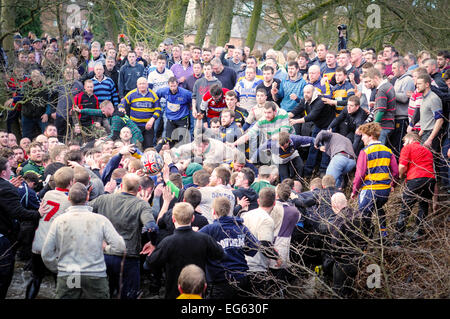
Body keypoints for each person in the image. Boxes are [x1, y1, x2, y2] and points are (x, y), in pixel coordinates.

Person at [41, 182, 126, 299]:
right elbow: (120, 247)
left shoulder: (59, 221)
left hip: (70, 273)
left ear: (69, 198)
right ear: (87, 197)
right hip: (95, 274)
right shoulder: (100, 220)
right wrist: (106, 248)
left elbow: (46, 253)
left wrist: (59, 268)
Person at [88, 173, 157, 299]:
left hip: (104, 254)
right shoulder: (141, 205)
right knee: (128, 294)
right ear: (139, 189)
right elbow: (152, 227)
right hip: (128, 257)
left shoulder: (104, 199)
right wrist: (153, 242)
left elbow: (83, 209)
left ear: (121, 186)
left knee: (103, 293)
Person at [144, 202, 224, 299]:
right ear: (193, 218)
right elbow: (221, 254)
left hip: (174, 292)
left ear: (173, 219)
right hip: (198, 290)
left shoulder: (168, 242)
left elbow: (151, 262)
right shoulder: (204, 239)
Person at [27, 166, 73, 299]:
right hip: (54, 247)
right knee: (63, 281)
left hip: (38, 244)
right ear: (71, 182)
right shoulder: (69, 200)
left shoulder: (48, 194)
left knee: (36, 278)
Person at [199, 197, 259, 298]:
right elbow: (254, 248)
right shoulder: (241, 228)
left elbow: (194, 244)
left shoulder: (209, 229)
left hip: (220, 281)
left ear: (213, 211)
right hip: (241, 278)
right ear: (229, 210)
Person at [0, 157, 43, 299]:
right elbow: (18, 213)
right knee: (3, 279)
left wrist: (9, 187)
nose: (11, 171)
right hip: (3, 239)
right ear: (3, 172)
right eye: (9, 169)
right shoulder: (6, 188)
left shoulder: (6, 187)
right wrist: (38, 213)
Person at [351, 122, 399, 238]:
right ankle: (383, 233)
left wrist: (355, 190)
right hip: (385, 191)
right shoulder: (388, 150)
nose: (362, 138)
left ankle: (367, 237)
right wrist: (392, 184)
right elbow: (396, 172)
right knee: (379, 207)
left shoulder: (365, 152)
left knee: (363, 214)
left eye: (363, 135)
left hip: (370, 189)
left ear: (371, 135)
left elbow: (360, 174)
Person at [395, 133, 436, 242]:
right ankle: (419, 233)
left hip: (416, 179)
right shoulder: (427, 150)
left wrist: (400, 176)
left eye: (404, 141)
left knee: (405, 208)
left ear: (410, 139)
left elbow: (402, 166)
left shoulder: (408, 148)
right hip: (430, 180)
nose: (403, 144)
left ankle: (398, 238)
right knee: (423, 206)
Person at [241, 187, 282, 296]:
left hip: (242, 264)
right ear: (274, 203)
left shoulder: (247, 215)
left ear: (259, 201)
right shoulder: (266, 220)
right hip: (256, 267)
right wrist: (276, 257)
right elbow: (264, 244)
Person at [290, 85, 335, 178]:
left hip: (329, 125)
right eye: (304, 92)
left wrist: (295, 121)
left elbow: (311, 116)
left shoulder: (320, 101)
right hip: (318, 125)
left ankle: (323, 170)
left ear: (313, 92)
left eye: (308, 92)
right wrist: (283, 116)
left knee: (325, 148)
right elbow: (295, 111)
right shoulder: (304, 100)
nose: (305, 95)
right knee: (313, 146)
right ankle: (307, 171)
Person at [327, 192, 364, 298]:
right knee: (350, 289)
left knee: (338, 292)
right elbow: (370, 230)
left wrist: (336, 258)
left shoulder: (338, 221)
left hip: (343, 262)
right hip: (358, 258)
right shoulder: (359, 214)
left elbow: (334, 245)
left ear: (333, 205)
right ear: (346, 202)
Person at [75, 100, 144, 145]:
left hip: (135, 138)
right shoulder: (112, 112)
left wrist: (102, 141)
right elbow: (95, 112)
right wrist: (81, 111)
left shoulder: (116, 118)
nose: (102, 113)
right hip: (128, 136)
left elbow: (114, 135)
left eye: (103, 111)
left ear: (109, 109)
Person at [366, 67, 397, 145]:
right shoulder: (389, 85)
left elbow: (381, 110)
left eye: (370, 80)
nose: (369, 83)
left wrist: (374, 125)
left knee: (378, 150)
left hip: (383, 126)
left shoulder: (381, 90)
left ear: (376, 78)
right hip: (389, 124)